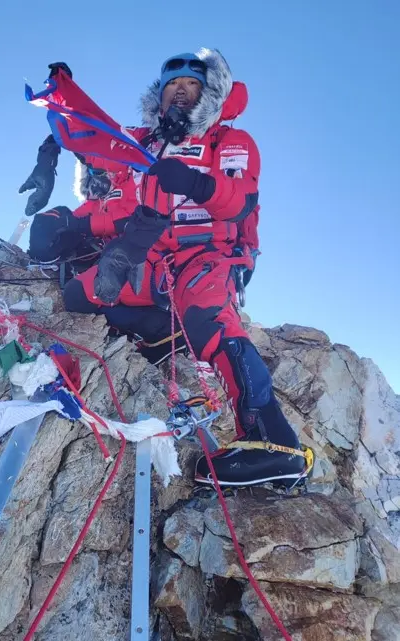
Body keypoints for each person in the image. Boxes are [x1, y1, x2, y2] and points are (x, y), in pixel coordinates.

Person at [23, 50, 307, 487]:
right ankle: (161, 331)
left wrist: (193, 182)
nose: (180, 88)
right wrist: (57, 120)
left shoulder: (228, 141)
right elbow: (90, 136)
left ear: (208, 93)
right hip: (151, 253)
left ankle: (275, 441)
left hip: (209, 251)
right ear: (159, 94)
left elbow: (239, 199)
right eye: (171, 82)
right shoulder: (143, 142)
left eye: (192, 82)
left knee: (207, 320)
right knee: (82, 296)